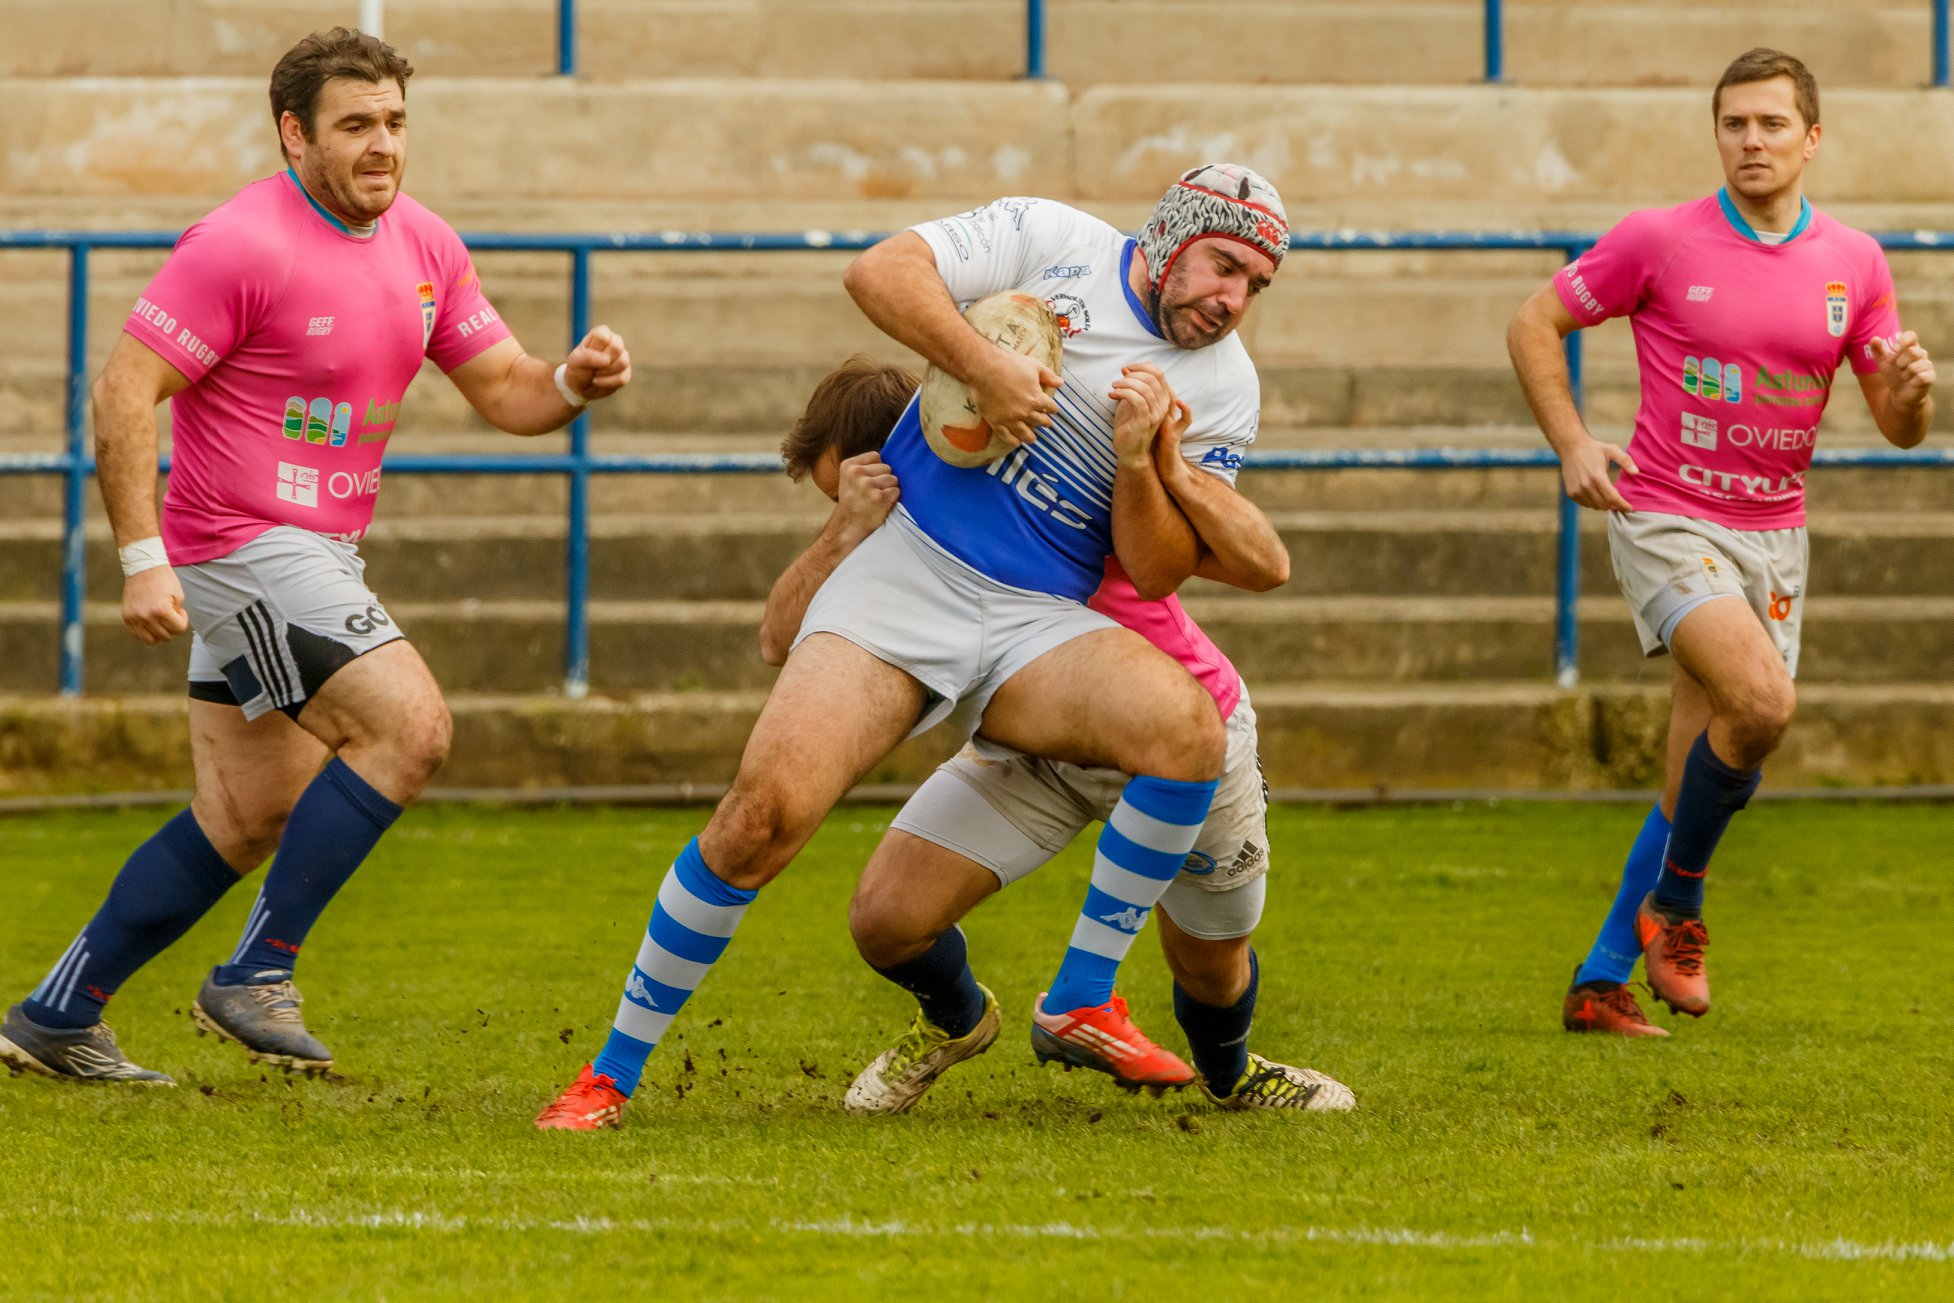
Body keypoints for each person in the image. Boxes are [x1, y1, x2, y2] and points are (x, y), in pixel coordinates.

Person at [537, 164, 1290, 1130]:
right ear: (1174, 239)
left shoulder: (1225, 388)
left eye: (1255, 286)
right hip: (909, 573)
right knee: (757, 821)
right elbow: (880, 271)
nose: (1232, 299)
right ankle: (608, 1075)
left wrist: (1145, 454)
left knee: (1189, 729)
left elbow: (1152, 572)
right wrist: (983, 364)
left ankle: (1084, 996)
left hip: (1039, 614)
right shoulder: (1055, 236)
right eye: (1223, 266)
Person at [0, 27, 632, 1085]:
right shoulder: (241, 244)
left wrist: (570, 380)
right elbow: (122, 390)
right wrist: (141, 557)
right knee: (411, 728)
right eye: (355, 126)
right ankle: (257, 971)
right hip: (240, 545)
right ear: (294, 135)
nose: (382, 146)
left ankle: (57, 1013)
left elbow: (508, 389)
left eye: (393, 123)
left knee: (249, 815)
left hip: (316, 553)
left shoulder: (425, 243)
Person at [763, 356, 1355, 1113]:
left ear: (931, 443)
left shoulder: (1054, 471)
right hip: (1033, 745)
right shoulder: (897, 534)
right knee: (886, 920)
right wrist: (844, 527)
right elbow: (780, 638)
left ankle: (1232, 1072)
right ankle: (957, 1021)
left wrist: (1155, 457)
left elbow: (1267, 562)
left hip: (1186, 741)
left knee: (1212, 967)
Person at [1506, 48, 1933, 1036]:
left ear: (1811, 138)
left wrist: (1911, 399)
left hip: (1774, 535)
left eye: (1772, 124)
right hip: (1664, 516)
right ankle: (1678, 906)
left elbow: (1892, 420)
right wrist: (1571, 442)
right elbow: (1533, 321)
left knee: (1700, 765)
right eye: (1734, 123)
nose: (1751, 140)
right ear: (1717, 134)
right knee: (1762, 703)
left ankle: (1603, 976)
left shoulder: (1855, 264)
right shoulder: (1658, 240)